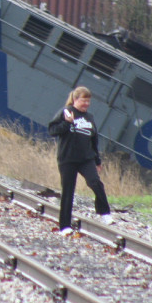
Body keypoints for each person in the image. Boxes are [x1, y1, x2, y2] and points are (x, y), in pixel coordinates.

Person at [48, 86, 113, 235]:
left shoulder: (89, 117)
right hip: (67, 159)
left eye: (88, 101)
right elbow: (52, 131)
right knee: (68, 191)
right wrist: (67, 123)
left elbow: (93, 139)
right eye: (84, 101)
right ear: (76, 100)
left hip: (86, 158)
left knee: (95, 182)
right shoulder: (66, 112)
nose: (86, 104)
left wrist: (97, 160)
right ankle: (64, 226)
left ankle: (104, 212)